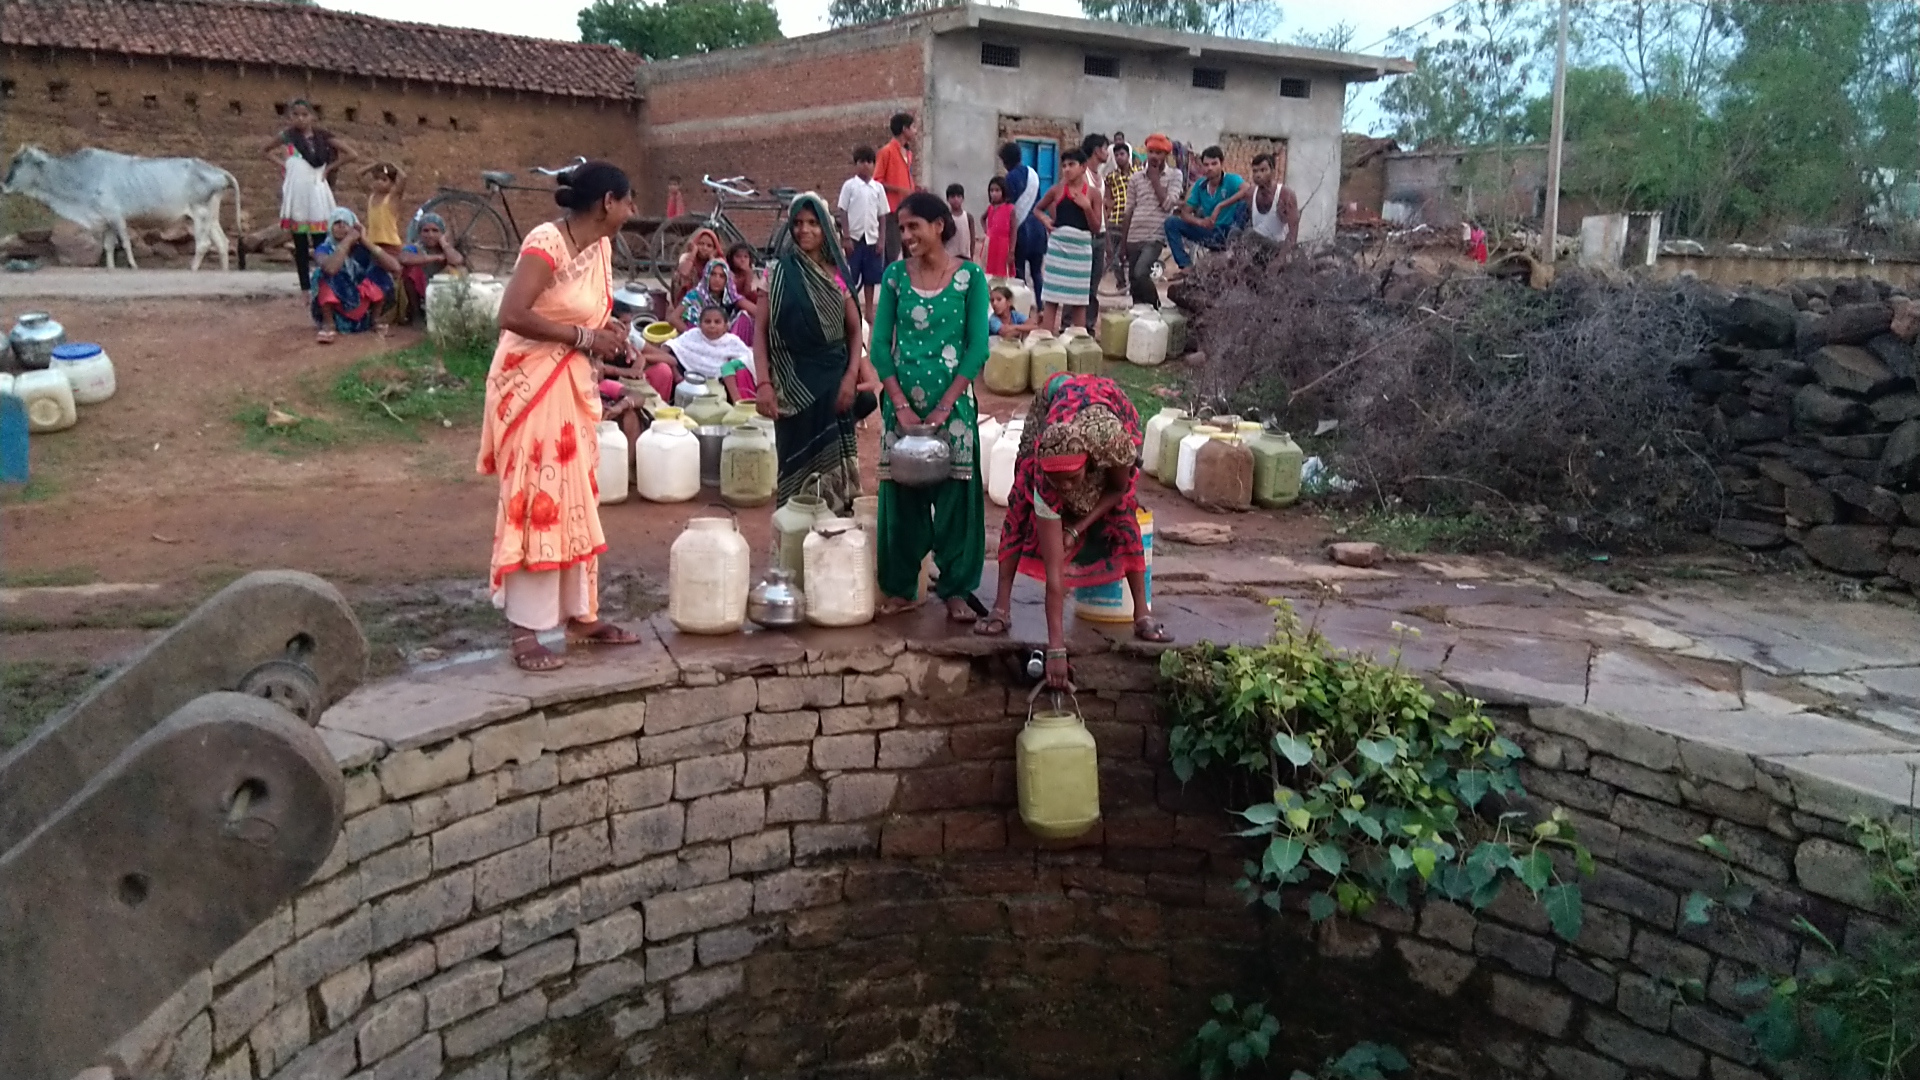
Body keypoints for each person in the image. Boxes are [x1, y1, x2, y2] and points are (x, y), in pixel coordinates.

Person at [478, 160, 644, 671]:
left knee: (576, 495)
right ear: (606, 204)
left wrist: (614, 335)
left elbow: (584, 312)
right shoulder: (547, 242)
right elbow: (513, 313)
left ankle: (580, 614)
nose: (634, 209)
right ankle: (525, 631)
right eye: (629, 199)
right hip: (529, 386)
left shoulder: (600, 246)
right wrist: (585, 339)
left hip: (569, 387)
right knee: (537, 498)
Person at [974, 371, 1172, 684]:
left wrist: (1077, 528)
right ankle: (1001, 608)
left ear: (1090, 463)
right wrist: (1056, 649)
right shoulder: (1043, 475)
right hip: (1053, 400)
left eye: (1072, 480)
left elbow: (1118, 491)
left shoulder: (1112, 444)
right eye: (1057, 483)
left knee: (1123, 516)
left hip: (1106, 405)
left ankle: (1142, 614)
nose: (1065, 489)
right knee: (1019, 505)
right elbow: (1056, 576)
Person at [871, 191, 989, 620]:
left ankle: (956, 588)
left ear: (939, 225)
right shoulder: (894, 278)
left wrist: (944, 407)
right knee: (900, 500)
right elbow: (881, 345)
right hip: (901, 409)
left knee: (957, 498)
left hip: (953, 408)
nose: (906, 236)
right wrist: (899, 403)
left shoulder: (971, 278)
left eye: (913, 226)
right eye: (901, 229)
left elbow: (977, 347)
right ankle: (902, 588)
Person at [753, 192, 878, 513]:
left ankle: (835, 537)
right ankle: (797, 541)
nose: (804, 230)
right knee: (794, 470)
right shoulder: (775, 273)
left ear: (825, 228)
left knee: (834, 466)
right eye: (797, 223)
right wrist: (763, 384)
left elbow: (854, 331)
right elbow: (760, 333)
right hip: (789, 389)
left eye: (812, 223)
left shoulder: (837, 275)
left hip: (832, 386)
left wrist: (852, 376)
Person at [265, 98, 361, 298]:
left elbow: (352, 154)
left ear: (313, 117)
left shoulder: (323, 137)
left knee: (320, 242)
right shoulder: (287, 136)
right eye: (295, 114)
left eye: (304, 114)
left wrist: (329, 169)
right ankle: (305, 289)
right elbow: (264, 151)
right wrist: (285, 166)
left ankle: (323, 284)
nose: (300, 118)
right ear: (290, 117)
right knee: (300, 244)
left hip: (317, 191)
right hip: (297, 192)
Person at [309, 208, 401, 343]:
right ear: (330, 227)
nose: (341, 226)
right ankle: (329, 324)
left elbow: (395, 267)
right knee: (321, 275)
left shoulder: (362, 250)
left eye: (345, 223)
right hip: (338, 308)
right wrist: (347, 241)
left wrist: (365, 241)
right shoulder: (323, 248)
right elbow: (331, 269)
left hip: (360, 307)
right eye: (337, 223)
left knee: (379, 272)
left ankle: (375, 320)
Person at [1034, 149, 1097, 333]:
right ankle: (1046, 340)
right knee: (1052, 298)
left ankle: (1077, 343)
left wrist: (1087, 207)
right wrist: (1045, 220)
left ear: (1083, 167)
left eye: (1072, 165)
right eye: (1064, 166)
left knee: (1079, 300)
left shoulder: (1093, 194)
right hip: (1058, 248)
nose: (1067, 169)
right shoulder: (1056, 190)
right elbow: (1038, 209)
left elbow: (1095, 227)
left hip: (1081, 250)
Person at [1122, 134, 1183, 307]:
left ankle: (1156, 309)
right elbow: (1129, 210)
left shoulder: (1174, 175)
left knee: (1141, 273)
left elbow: (1168, 204)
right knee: (1134, 282)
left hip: (1154, 236)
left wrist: (1155, 179)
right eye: (1151, 152)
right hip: (1134, 235)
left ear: (1166, 155)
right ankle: (1140, 318)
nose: (1154, 156)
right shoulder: (1136, 177)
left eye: (1159, 153)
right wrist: (1123, 243)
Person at [1165, 145, 1244, 272]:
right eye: (1206, 165)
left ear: (1221, 164)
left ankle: (1234, 251)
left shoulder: (1232, 180)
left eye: (1214, 164)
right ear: (1202, 166)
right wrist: (1201, 222)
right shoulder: (1200, 185)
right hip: (1211, 232)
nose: (1210, 168)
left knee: (1243, 205)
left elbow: (1247, 190)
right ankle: (1186, 266)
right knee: (1171, 222)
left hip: (1230, 231)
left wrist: (1220, 206)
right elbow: (1185, 213)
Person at [836, 146, 888, 325]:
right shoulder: (849, 186)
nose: (865, 166)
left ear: (874, 165)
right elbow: (843, 211)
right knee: (850, 275)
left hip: (872, 238)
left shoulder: (878, 188)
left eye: (869, 162)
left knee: (870, 277)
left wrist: (882, 239)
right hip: (855, 239)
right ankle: (851, 309)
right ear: (855, 164)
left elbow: (882, 215)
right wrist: (846, 237)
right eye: (861, 162)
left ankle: (868, 312)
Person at [394, 212, 467, 324]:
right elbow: (404, 259)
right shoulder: (415, 247)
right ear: (420, 233)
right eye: (426, 231)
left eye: (435, 230)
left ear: (442, 233)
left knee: (457, 270)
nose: (430, 235)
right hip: (420, 291)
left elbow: (457, 260)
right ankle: (416, 314)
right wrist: (435, 258)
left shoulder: (446, 249)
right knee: (411, 271)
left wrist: (444, 244)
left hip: (440, 292)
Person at [1218, 152, 1299, 251]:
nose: (1258, 175)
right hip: (1255, 248)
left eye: (1263, 170)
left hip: (1276, 248)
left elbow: (1292, 235)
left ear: (1273, 172)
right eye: (1255, 171)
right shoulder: (1251, 194)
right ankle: (1231, 260)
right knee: (1234, 232)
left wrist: (1280, 261)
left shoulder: (1285, 195)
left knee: (1250, 234)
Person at [999, 142, 1046, 301]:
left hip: (1021, 231)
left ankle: (1021, 307)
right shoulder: (1034, 174)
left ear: (1006, 161)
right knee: (1037, 272)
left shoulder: (1009, 178)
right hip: (1038, 229)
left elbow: (1009, 207)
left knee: (1019, 273)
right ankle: (1040, 305)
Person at [672, 257, 752, 342]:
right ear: (707, 276)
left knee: (744, 316)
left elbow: (756, 311)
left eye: (721, 276)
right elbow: (673, 318)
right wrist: (695, 335)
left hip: (723, 341)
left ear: (726, 280)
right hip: (698, 340)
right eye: (713, 274)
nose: (717, 279)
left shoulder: (730, 297)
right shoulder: (695, 295)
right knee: (693, 310)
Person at [874, 112, 917, 264]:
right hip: (891, 211)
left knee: (911, 254)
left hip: (908, 209)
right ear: (905, 129)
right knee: (892, 255)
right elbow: (877, 182)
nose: (915, 131)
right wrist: (899, 190)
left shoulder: (908, 153)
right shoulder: (886, 152)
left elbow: (906, 180)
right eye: (913, 127)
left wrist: (915, 188)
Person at [1078, 134, 1111, 323]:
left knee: (1093, 285)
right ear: (1097, 150)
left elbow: (1103, 212)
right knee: (1079, 284)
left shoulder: (1100, 178)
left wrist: (1107, 242)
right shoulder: (1083, 176)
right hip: (1086, 234)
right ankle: (1070, 326)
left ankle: (1088, 326)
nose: (1108, 153)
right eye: (1106, 149)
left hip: (1100, 235)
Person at [1103, 140, 1134, 292]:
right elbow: (1108, 199)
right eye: (1116, 155)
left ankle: (1132, 285)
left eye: (1122, 154)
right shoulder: (1111, 177)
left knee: (1129, 256)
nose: (1119, 158)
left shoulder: (1138, 174)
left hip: (1133, 223)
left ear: (1128, 155)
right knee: (1114, 259)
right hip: (1115, 221)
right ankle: (1121, 284)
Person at [671, 227, 723, 307]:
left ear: (715, 249)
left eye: (709, 246)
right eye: (701, 244)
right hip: (689, 299)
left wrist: (711, 260)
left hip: (711, 301)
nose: (704, 248)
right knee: (679, 274)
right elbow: (684, 273)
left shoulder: (719, 260)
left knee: (718, 275)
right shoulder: (687, 256)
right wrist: (693, 253)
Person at [982, 176, 1015, 279]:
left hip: (1003, 245)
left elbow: (1014, 230)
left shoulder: (1010, 209)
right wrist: (988, 231)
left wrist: (1012, 251)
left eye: (997, 190)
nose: (994, 194)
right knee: (988, 272)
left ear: (1003, 191)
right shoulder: (990, 207)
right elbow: (982, 219)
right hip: (990, 244)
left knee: (1002, 273)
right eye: (991, 190)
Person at [945, 184, 980, 262]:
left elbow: (972, 238)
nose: (956, 199)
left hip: (965, 256)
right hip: (949, 256)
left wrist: (971, 254)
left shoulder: (968, 217)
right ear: (948, 199)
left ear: (963, 198)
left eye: (958, 196)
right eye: (953, 197)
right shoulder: (946, 217)